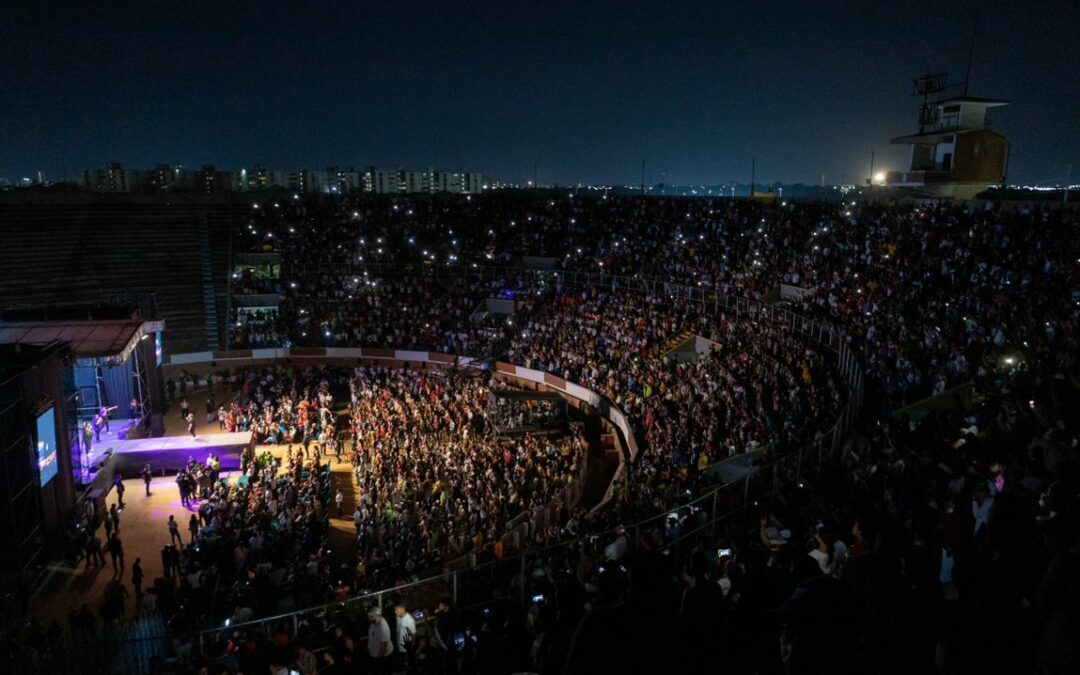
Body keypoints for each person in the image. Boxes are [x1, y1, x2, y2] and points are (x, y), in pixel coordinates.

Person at [393, 601, 417, 670]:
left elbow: (414, 634)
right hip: (398, 641)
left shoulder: (410, 620)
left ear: (402, 609)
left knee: (406, 658)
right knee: (400, 657)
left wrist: (412, 646)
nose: (395, 612)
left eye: (396, 610)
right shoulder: (397, 616)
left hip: (405, 644)